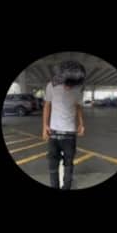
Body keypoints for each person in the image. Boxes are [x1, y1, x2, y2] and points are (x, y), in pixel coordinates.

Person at [41, 60, 86, 189]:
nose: (69, 87)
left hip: (70, 134)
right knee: (52, 164)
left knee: (69, 164)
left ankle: (66, 187)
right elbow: (47, 105)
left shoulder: (78, 88)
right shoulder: (51, 86)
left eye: (72, 84)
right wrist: (45, 126)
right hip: (53, 132)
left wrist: (81, 124)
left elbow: (78, 107)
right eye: (67, 83)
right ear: (61, 77)